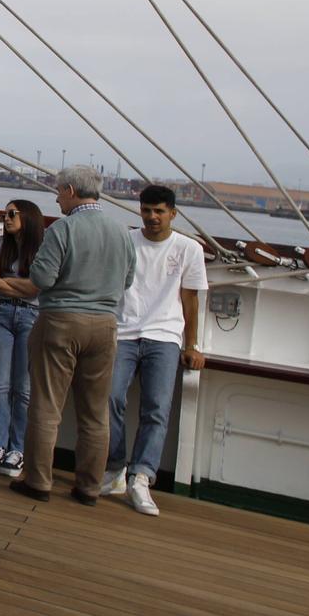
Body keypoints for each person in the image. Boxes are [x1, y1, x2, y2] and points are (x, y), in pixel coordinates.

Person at [10, 165, 135, 505]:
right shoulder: (122, 231)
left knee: (47, 405)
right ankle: (89, 488)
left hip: (61, 322)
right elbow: (127, 280)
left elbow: (43, 279)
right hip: (105, 326)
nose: (56, 197)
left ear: (69, 190)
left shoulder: (63, 229)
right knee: (95, 413)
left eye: (58, 191)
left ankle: (38, 480)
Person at [104, 184, 207, 516]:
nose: (152, 217)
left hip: (165, 335)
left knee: (157, 409)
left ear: (173, 214)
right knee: (109, 397)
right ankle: (116, 468)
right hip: (124, 332)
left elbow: (190, 300)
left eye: (159, 211)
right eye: (147, 210)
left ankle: (142, 478)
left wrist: (192, 344)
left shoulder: (188, 249)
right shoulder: (126, 241)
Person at [0, 199, 43, 476]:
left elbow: (37, 288)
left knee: (24, 389)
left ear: (27, 218)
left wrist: (9, 285)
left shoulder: (42, 250)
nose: (6, 218)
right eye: (4, 213)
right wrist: (20, 287)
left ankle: (17, 450)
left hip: (31, 318)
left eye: (12, 214)